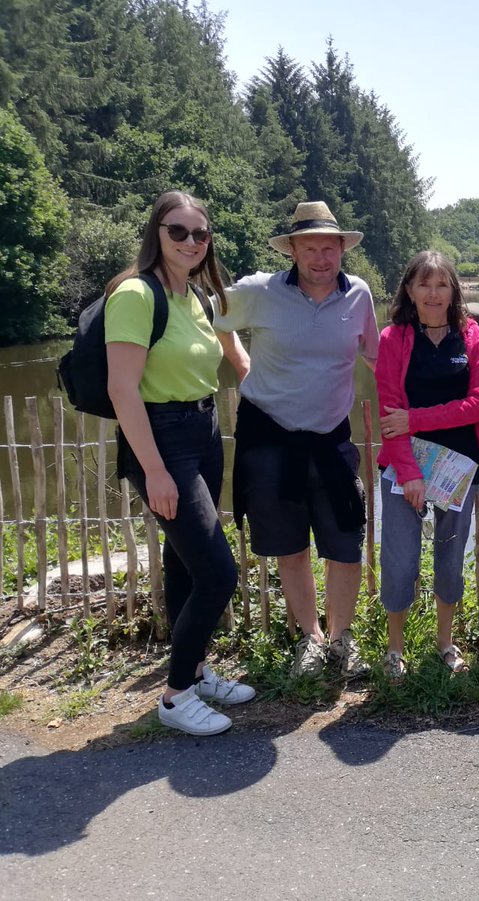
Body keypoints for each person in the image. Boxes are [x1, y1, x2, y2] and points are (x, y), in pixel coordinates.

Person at [106, 190, 253, 735]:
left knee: (184, 562)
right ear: (156, 234)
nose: (191, 242)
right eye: (178, 231)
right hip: (162, 439)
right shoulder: (136, 295)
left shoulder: (198, 296)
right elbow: (122, 390)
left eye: (200, 233)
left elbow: (237, 360)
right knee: (218, 571)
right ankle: (173, 698)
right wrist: (155, 471)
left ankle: (191, 669)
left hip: (203, 429)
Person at [214, 201, 378, 679]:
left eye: (330, 247)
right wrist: (242, 363)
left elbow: (375, 356)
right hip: (271, 437)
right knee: (290, 546)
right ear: (292, 250)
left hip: (330, 440)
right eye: (310, 248)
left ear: (342, 249)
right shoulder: (259, 292)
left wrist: (405, 407)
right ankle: (311, 638)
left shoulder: (359, 296)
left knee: (346, 541)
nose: (321, 258)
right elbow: (213, 319)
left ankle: (342, 639)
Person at [374, 251, 479, 678]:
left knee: (449, 558)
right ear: (409, 289)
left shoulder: (474, 338)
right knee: (401, 559)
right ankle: (395, 648)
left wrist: (417, 418)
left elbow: (478, 405)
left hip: (459, 469)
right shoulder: (393, 339)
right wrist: (408, 474)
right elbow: (390, 412)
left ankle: (445, 641)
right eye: (424, 284)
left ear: (454, 291)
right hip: (404, 468)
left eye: (442, 284)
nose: (433, 293)